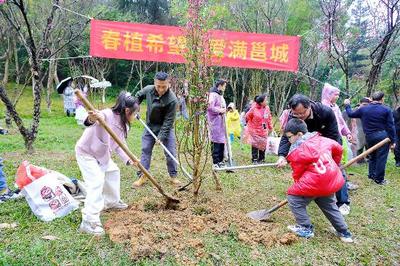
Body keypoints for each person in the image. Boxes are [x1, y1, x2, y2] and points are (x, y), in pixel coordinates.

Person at [75, 91, 139, 235]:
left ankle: (111, 202)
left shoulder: (124, 125)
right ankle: (89, 221)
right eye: (134, 114)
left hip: (102, 156)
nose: (134, 117)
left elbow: (119, 144)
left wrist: (130, 158)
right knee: (96, 182)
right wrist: (92, 118)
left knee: (113, 171)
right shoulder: (107, 114)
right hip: (87, 153)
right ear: (127, 111)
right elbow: (93, 118)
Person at [276, 94, 351, 215]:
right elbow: (287, 136)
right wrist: (282, 155)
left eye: (302, 113)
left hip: (327, 142)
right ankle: (309, 194)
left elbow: (333, 135)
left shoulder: (325, 112)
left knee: (335, 169)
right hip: (309, 145)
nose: (299, 117)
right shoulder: (292, 115)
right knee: (309, 169)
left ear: (309, 106)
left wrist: (329, 154)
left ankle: (343, 202)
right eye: (296, 114)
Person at [283, 118, 353, 243]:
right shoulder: (322, 139)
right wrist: (335, 164)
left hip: (315, 181)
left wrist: (300, 185)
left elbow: (297, 173)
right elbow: (339, 148)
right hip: (331, 178)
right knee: (330, 205)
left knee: (293, 197)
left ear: (299, 134)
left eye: (289, 137)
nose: (289, 140)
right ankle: (344, 232)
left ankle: (305, 227)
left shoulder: (298, 152)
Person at [133, 72, 182, 187]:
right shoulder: (149, 90)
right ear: (154, 83)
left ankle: (173, 176)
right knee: (145, 150)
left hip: (166, 128)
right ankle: (143, 175)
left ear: (168, 84)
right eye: (158, 86)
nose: (160, 89)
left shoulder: (172, 100)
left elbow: (168, 121)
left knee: (170, 153)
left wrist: (161, 136)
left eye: (164, 86)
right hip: (150, 126)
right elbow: (138, 96)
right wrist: (136, 107)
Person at [344, 92, 397, 185]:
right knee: (381, 158)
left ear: (372, 99)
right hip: (382, 136)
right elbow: (390, 126)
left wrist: (347, 105)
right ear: (382, 99)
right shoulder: (386, 109)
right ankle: (379, 179)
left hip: (369, 136)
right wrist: (393, 140)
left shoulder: (363, 109)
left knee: (372, 156)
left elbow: (351, 114)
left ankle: (371, 175)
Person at [321, 83, 353, 162]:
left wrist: (347, 133)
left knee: (338, 154)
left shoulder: (335, 106)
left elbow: (341, 121)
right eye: (335, 95)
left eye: (338, 95)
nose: (337, 97)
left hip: (337, 134)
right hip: (327, 135)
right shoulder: (323, 106)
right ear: (328, 94)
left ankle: (337, 169)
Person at [245, 94, 273, 164]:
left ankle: (261, 158)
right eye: (266, 100)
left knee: (263, 143)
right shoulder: (253, 108)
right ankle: (254, 159)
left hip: (263, 129)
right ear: (261, 102)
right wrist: (250, 124)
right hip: (254, 129)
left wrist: (270, 127)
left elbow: (269, 118)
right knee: (255, 144)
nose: (267, 101)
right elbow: (247, 116)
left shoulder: (267, 108)